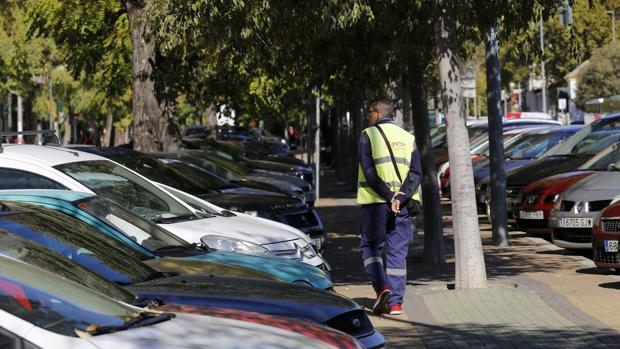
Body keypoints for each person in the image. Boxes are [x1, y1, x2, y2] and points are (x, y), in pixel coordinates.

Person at [357, 98, 422, 315]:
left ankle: (382, 287)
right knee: (397, 253)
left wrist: (388, 195)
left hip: (375, 203)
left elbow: (369, 172)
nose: (368, 117)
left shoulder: (368, 135)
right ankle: (396, 304)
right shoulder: (408, 137)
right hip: (401, 206)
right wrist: (400, 197)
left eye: (369, 113)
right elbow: (415, 173)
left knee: (370, 246)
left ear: (377, 113)